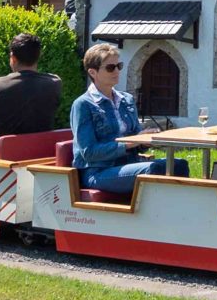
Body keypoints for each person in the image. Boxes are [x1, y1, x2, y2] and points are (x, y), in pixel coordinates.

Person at [68, 42, 187, 196]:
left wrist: (145, 140)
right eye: (110, 67)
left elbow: (135, 142)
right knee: (152, 169)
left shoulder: (126, 99)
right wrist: (130, 143)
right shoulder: (83, 104)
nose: (116, 71)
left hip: (129, 164)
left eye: (119, 66)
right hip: (98, 171)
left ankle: (180, 212)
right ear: (93, 72)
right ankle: (158, 215)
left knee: (179, 165)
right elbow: (89, 152)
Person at [0, 30, 65, 146]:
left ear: (13, 58)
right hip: (41, 155)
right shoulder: (55, 83)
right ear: (39, 56)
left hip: (4, 159)